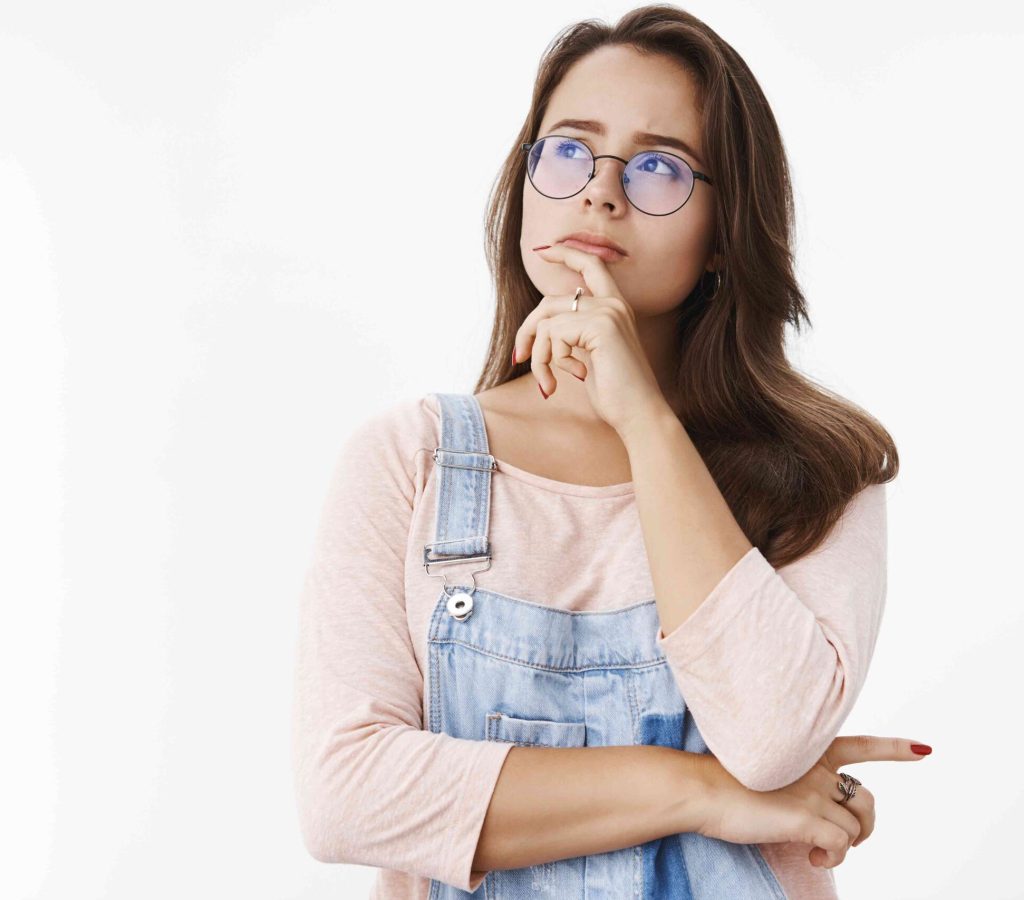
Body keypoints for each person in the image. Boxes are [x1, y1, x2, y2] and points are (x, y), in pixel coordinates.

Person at [290, 5, 931, 898]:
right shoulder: (411, 461)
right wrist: (700, 791)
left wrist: (646, 423)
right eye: (567, 151)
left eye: (660, 166)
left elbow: (772, 735)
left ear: (723, 230)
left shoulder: (823, 470)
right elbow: (346, 797)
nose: (599, 191)